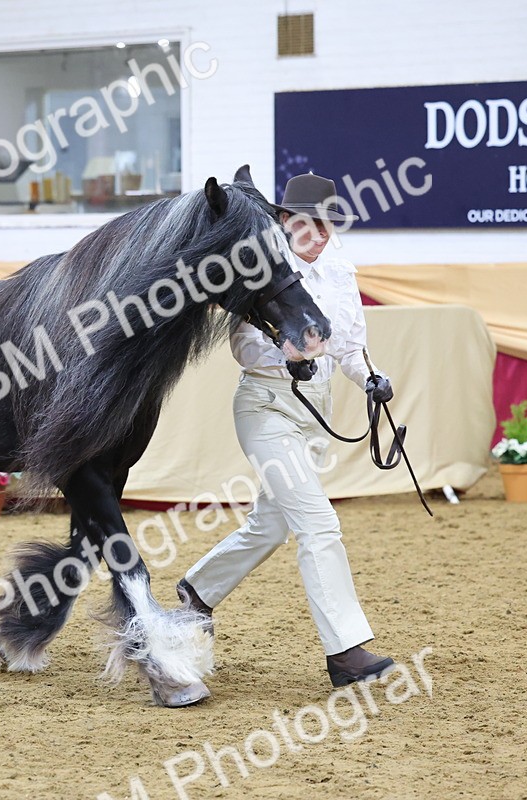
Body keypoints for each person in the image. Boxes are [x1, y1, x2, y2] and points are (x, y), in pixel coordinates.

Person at [176, 172, 396, 688]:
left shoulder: (338, 268)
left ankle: (199, 590)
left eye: (326, 225)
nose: (318, 235)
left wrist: (370, 378)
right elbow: (242, 345)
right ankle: (345, 652)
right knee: (319, 524)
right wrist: (286, 355)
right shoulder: (264, 269)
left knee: (270, 525)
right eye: (307, 225)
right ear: (284, 221)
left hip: (316, 412)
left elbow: (350, 346)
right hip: (267, 407)